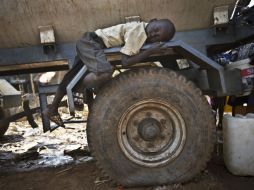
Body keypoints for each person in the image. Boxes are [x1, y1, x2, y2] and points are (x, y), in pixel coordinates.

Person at [44, 18, 176, 127]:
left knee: (73, 76)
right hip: (91, 42)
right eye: (156, 29)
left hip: (88, 41)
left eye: (157, 37)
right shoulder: (138, 32)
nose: (154, 34)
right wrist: (150, 51)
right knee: (105, 72)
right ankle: (81, 89)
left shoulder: (141, 32)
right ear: (153, 21)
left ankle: (52, 108)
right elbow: (125, 62)